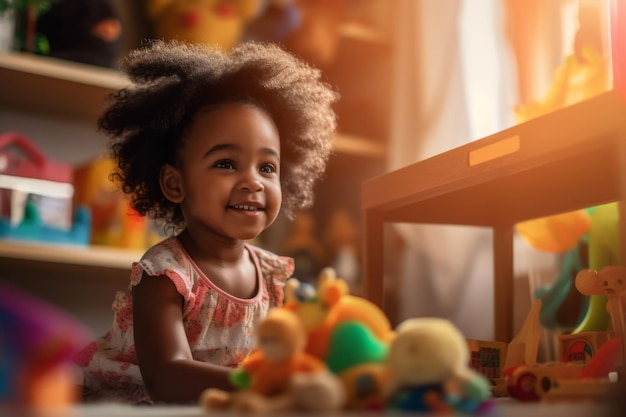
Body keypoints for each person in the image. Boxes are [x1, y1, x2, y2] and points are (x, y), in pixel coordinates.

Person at [73, 39, 338, 404]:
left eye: (267, 167)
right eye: (226, 163)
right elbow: (167, 378)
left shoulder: (276, 277)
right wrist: (265, 383)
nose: (253, 181)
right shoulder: (166, 275)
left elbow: (287, 353)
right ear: (174, 183)